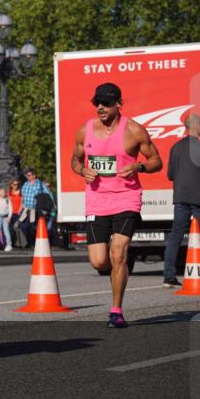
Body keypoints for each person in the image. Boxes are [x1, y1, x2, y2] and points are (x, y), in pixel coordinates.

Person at [70, 82, 162, 328]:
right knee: (99, 261)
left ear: (118, 104)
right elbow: (75, 161)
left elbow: (156, 161)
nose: (100, 107)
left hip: (126, 198)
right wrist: (83, 171)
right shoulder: (84, 131)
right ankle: (119, 264)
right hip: (96, 201)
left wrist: (138, 166)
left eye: (106, 103)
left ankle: (116, 310)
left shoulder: (134, 131)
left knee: (118, 252)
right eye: (97, 103)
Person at [162, 113, 200, 288]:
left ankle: (168, 277)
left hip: (181, 198)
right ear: (197, 126)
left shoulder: (175, 148)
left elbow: (170, 175)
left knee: (175, 236)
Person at [19, 168, 50, 245]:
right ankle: (26, 242)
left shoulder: (40, 184)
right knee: (22, 225)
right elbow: (22, 196)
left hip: (36, 209)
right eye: (27, 175)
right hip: (26, 209)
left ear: (34, 176)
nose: (27, 176)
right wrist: (21, 207)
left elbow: (47, 194)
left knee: (33, 226)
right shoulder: (25, 184)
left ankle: (34, 242)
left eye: (29, 175)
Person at [0, 186, 12, 251]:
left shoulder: (7, 200)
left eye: (4, 192)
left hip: (5, 217)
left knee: (6, 230)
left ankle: (9, 244)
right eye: (1, 192)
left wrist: (9, 217)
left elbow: (10, 208)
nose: (3, 193)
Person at [8, 178, 24, 247]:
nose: (16, 186)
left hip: (18, 213)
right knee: (10, 228)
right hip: (10, 213)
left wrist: (20, 211)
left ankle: (19, 242)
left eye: (17, 185)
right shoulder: (9, 193)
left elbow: (22, 203)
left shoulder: (21, 193)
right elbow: (8, 203)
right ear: (11, 185)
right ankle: (12, 242)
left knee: (17, 227)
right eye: (14, 184)